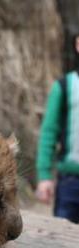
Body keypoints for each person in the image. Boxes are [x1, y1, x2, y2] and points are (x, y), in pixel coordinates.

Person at [36, 34, 79, 223]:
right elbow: (49, 133)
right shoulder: (63, 86)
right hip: (70, 182)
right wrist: (44, 175)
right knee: (64, 246)